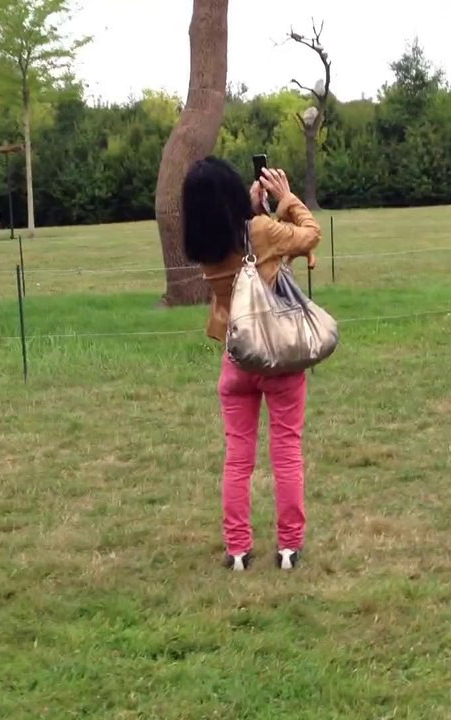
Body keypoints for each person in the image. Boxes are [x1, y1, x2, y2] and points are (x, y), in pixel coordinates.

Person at [180, 156, 321, 572]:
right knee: (286, 451)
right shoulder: (258, 231)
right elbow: (310, 234)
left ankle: (238, 550)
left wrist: (254, 205)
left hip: (237, 359)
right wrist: (288, 198)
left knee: (238, 458)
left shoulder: (205, 246)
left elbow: (245, 248)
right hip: (278, 357)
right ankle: (289, 548)